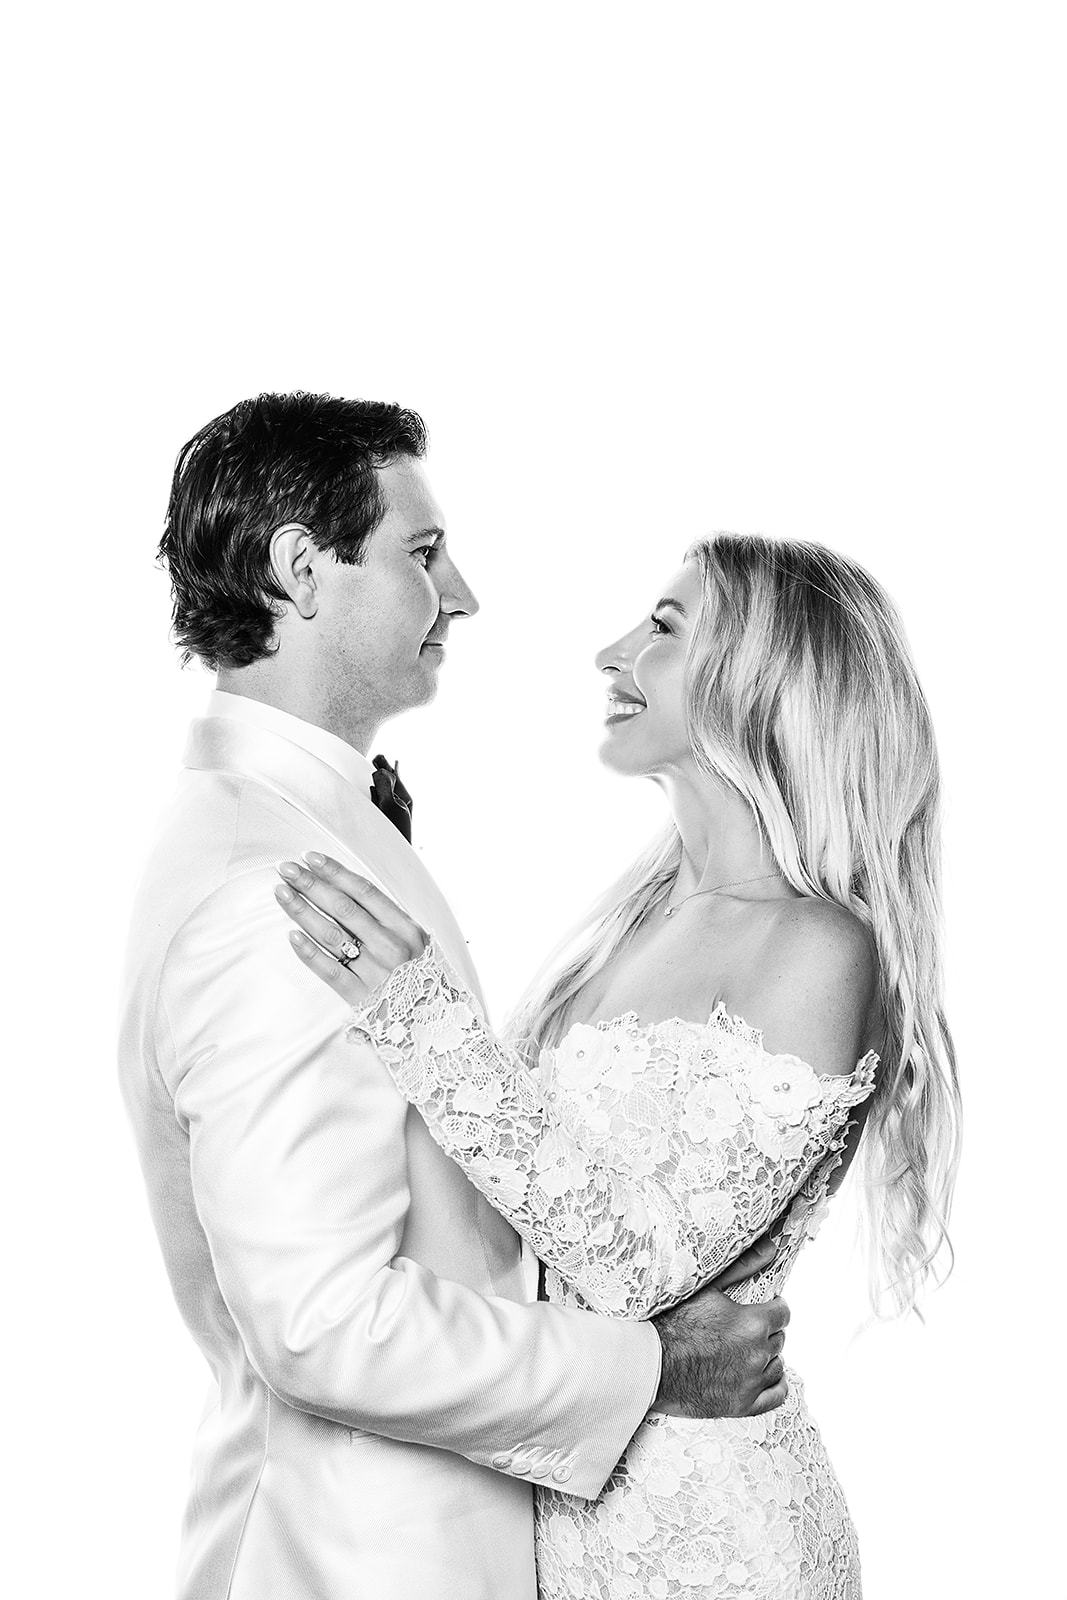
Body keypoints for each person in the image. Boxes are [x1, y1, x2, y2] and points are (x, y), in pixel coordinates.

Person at [117, 393, 791, 1600]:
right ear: (299, 570)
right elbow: (321, 1318)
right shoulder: (270, 890)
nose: (462, 594)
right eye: (422, 554)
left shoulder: (302, 828)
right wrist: (647, 1368)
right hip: (363, 1561)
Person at [275, 531, 962, 1598]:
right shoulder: (631, 920)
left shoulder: (821, 946)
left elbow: (633, 1266)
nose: (610, 653)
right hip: (563, 1514)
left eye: (662, 628)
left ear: (761, 677)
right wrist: (396, 887)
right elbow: (514, 1199)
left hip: (718, 1544)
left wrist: (418, 1014)